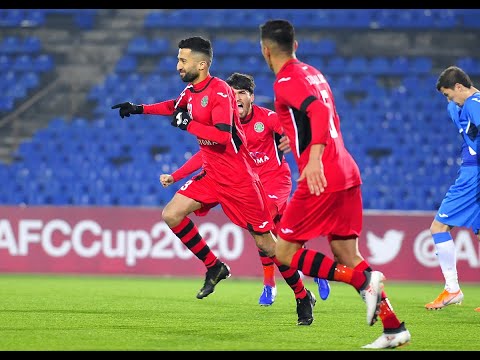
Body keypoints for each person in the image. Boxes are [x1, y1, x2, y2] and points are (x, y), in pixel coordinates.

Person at [111, 36, 319, 326]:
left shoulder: (221, 92)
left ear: (202, 64)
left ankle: (301, 294)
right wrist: (139, 108)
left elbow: (223, 136)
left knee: (269, 246)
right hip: (212, 176)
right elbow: (175, 106)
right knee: (171, 214)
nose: (178, 65)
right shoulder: (190, 91)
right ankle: (214, 266)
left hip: (239, 180)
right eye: (178, 59)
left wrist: (189, 125)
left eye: (183, 60)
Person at [259, 19, 411, 348]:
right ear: (295, 46)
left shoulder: (284, 80)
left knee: (283, 251)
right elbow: (327, 118)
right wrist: (296, 141)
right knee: (345, 252)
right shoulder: (314, 73)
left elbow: (315, 114)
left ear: (265, 50)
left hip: (321, 174)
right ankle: (394, 327)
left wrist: (312, 158)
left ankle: (363, 281)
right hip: (346, 168)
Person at [159, 71, 331, 306]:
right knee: (273, 237)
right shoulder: (224, 123)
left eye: (242, 93)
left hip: (274, 181)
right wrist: (176, 176)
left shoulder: (266, 117)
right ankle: (278, 283)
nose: (236, 97)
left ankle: (303, 275)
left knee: (267, 234)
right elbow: (205, 154)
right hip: (244, 182)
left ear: (252, 97)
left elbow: (290, 128)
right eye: (232, 93)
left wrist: (294, 137)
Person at [426, 66, 480, 312]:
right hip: (471, 168)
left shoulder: (472, 104)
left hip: (473, 173)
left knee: (438, 227)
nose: (449, 100)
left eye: (449, 94)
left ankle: (452, 288)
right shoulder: (458, 106)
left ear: (459, 87)